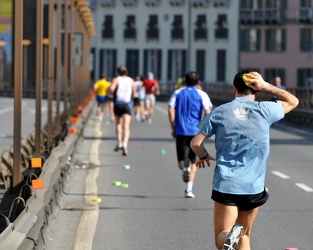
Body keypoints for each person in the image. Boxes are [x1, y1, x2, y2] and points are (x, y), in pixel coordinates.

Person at [190, 70, 299, 249]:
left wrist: (203, 155)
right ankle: (235, 234)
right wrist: (267, 86)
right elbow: (293, 101)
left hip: (227, 185)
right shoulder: (265, 110)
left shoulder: (219, 112)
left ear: (234, 89)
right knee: (245, 235)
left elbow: (195, 143)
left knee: (222, 237)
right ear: (257, 91)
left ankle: (230, 235)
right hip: (253, 187)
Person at [168, 71, 213, 198]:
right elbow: (208, 111)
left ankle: (184, 168)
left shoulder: (178, 93)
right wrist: (205, 130)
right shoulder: (202, 94)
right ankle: (189, 188)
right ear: (198, 82)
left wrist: (173, 126)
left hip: (181, 130)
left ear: (184, 81)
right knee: (194, 161)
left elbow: (170, 108)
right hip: (196, 132)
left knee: (181, 161)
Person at [109, 65, 136, 156]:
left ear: (118, 72)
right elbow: (134, 94)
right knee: (127, 126)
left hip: (118, 104)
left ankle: (119, 142)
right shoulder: (131, 80)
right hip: (127, 104)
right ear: (126, 72)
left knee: (118, 124)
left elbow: (112, 90)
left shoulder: (116, 80)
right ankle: (125, 144)